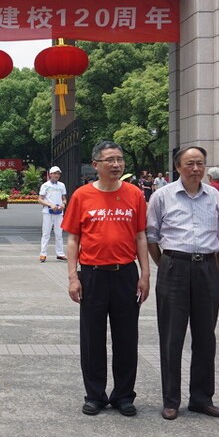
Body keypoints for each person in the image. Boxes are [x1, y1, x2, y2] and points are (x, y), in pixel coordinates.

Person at [63, 141, 150, 417]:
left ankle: (124, 395)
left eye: (120, 159)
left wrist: (145, 273)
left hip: (125, 274)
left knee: (127, 338)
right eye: (110, 160)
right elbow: (73, 238)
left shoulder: (135, 194)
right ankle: (95, 395)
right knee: (92, 338)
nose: (116, 165)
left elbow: (140, 236)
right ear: (96, 164)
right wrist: (72, 277)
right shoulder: (82, 196)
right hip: (92, 275)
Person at [146, 146, 219, 420]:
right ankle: (171, 399)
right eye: (189, 163)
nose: (195, 169)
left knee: (206, 336)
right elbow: (152, 237)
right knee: (171, 336)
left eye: (200, 163)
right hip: (173, 267)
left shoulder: (214, 196)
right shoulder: (161, 196)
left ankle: (201, 398)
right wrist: (166, 264)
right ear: (177, 167)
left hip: (207, 267)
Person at [39, 166, 67, 262]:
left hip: (59, 212)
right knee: (46, 233)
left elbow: (64, 198)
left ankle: (60, 253)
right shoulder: (45, 186)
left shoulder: (62, 185)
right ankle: (43, 254)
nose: (56, 175)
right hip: (48, 212)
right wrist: (50, 205)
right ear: (50, 174)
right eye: (54, 173)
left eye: (58, 174)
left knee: (59, 233)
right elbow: (40, 199)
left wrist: (63, 204)